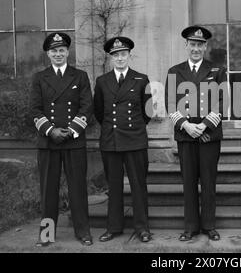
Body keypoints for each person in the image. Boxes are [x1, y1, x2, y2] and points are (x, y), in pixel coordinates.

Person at [29, 32, 93, 246]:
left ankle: (83, 231)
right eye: (54, 51)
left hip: (74, 141)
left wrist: (71, 130)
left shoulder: (80, 76)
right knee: (48, 190)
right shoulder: (39, 78)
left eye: (62, 50)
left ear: (68, 52)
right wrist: (51, 131)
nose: (58, 54)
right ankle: (46, 234)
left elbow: (86, 107)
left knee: (78, 189)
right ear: (48, 54)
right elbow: (35, 110)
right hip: (48, 142)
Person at [165, 25, 227, 241]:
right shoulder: (175, 71)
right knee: (189, 182)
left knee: (209, 182)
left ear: (205, 46)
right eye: (192, 44)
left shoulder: (218, 70)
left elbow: (223, 101)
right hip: (185, 134)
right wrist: (186, 125)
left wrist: (205, 124)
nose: (196, 48)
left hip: (209, 135)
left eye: (200, 45)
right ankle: (190, 226)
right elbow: (170, 103)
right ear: (186, 46)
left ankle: (209, 225)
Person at [93, 37, 153, 243]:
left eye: (123, 54)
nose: (120, 58)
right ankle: (114, 227)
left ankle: (142, 228)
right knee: (114, 186)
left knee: (138, 186)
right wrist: (113, 128)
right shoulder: (102, 82)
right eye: (116, 55)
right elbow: (99, 112)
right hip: (111, 140)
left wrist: (134, 128)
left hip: (135, 139)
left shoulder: (141, 79)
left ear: (129, 56)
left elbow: (148, 111)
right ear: (111, 58)